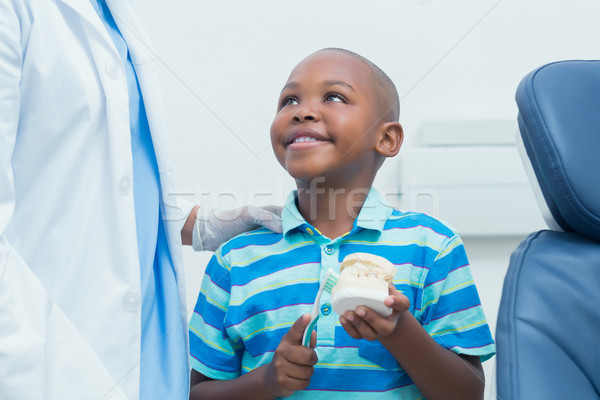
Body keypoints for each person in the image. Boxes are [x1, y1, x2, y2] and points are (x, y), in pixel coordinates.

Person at [0, 1, 280, 399]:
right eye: (289, 100)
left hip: (149, 364)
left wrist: (200, 223)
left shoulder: (111, 11)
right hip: (48, 359)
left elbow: (110, 181)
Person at [188, 48, 496, 400]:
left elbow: (468, 394)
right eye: (288, 101)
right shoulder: (236, 259)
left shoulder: (432, 246)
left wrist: (399, 332)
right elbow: (197, 394)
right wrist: (267, 381)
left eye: (334, 96)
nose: (302, 111)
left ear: (387, 138)